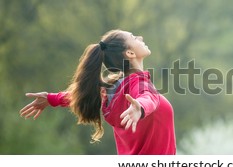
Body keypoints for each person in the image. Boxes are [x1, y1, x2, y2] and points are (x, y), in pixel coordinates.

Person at [19, 29, 176, 155]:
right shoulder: (138, 83)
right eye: (134, 37)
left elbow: (85, 94)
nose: (140, 37)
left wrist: (52, 99)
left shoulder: (112, 90)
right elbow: (147, 97)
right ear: (130, 53)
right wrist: (140, 108)